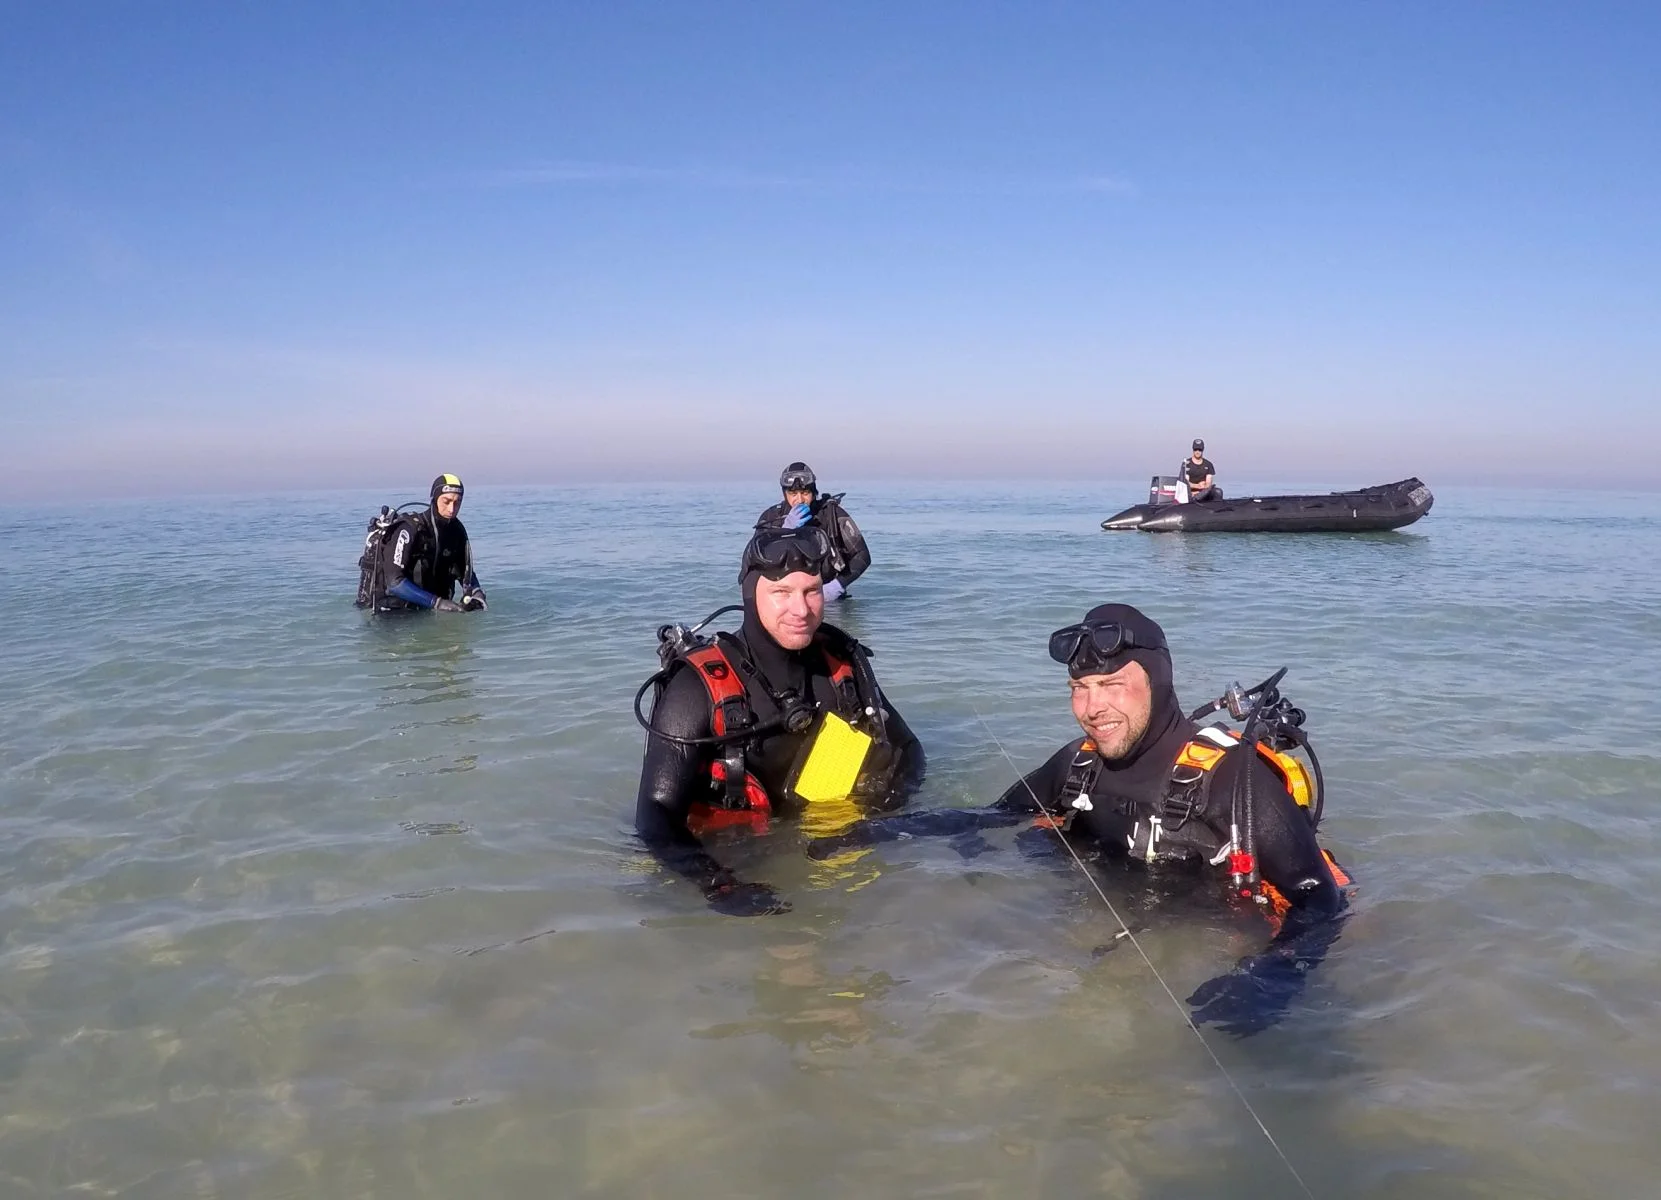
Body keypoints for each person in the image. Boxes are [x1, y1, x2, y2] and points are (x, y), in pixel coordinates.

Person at [806, 603, 1348, 1035]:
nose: (1092, 708)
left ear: (1157, 684)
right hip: (1104, 937)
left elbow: (1319, 898)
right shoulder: (1078, 763)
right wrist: (876, 832)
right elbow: (996, 815)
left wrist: (1272, 975)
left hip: (1200, 937)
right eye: (1079, 689)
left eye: (1112, 686)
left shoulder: (1233, 779)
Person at [633, 524, 924, 915]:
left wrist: (881, 819)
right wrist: (717, 884)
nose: (801, 610)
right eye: (781, 593)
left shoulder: (841, 665)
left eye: (812, 591)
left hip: (827, 855)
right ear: (751, 594)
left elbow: (909, 748)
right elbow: (656, 814)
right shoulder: (697, 686)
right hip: (732, 860)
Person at [360, 474, 487, 613]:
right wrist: (436, 603)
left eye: (457, 502)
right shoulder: (409, 529)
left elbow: (464, 572)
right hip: (396, 614)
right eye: (446, 501)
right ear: (434, 499)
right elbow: (394, 582)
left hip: (430, 611)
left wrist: (476, 592)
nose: (452, 509)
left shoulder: (456, 532)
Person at [753, 462, 870, 601]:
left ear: (814, 492)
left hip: (829, 597)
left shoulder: (832, 514)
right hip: (786, 598)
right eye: (793, 493)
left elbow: (863, 556)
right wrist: (783, 531)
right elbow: (755, 560)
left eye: (805, 493)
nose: (800, 499)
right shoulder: (771, 517)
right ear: (784, 493)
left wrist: (837, 586)